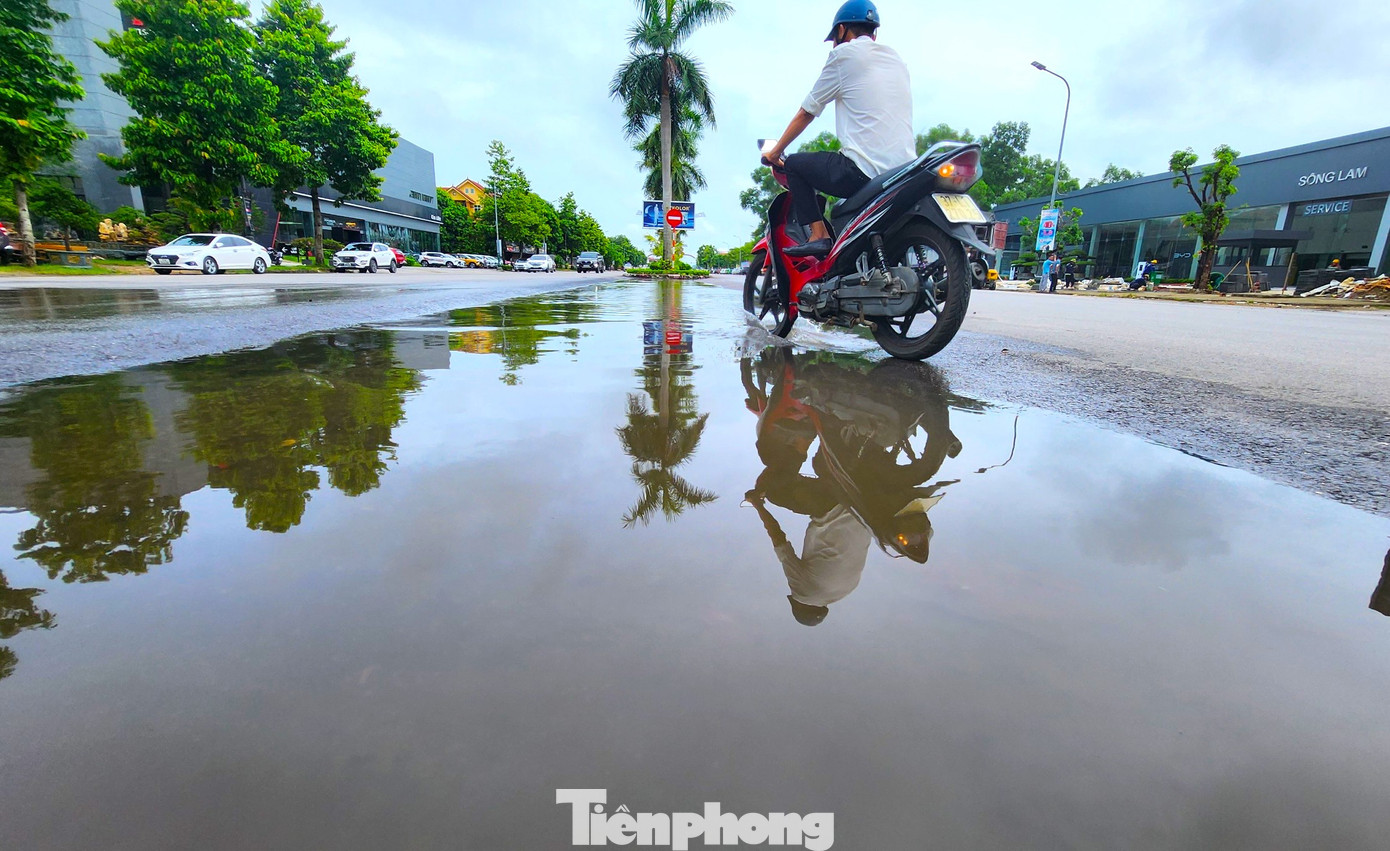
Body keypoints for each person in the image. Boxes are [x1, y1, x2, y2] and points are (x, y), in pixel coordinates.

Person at [760, 0, 915, 258]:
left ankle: (819, 235)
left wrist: (777, 152)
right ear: (874, 32)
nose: (834, 44)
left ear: (842, 30)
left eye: (835, 38)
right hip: (903, 171)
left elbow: (807, 112)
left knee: (796, 164)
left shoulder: (842, 56)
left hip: (862, 171)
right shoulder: (896, 59)